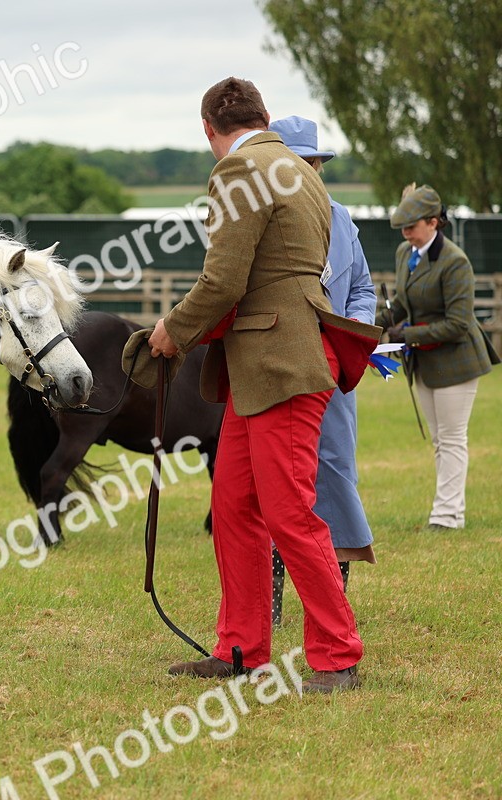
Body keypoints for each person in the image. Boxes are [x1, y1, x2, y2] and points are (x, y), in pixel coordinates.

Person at [148, 77, 380, 693]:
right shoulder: (302, 170)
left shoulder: (236, 170)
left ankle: (337, 654)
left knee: (289, 512)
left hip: (279, 367)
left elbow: (224, 281)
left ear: (207, 131)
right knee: (232, 506)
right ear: (266, 116)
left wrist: (172, 332)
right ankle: (241, 648)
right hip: (274, 365)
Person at [266, 116, 376, 626]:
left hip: (334, 368)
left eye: (314, 163)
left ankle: (334, 594)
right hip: (281, 366)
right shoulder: (262, 219)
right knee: (281, 478)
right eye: (299, 163)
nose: (310, 171)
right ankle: (270, 598)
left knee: (334, 471)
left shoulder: (342, 219)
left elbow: (363, 289)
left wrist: (353, 327)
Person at [383, 184, 499, 530]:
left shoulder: (455, 262)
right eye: (402, 228)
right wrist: (376, 325)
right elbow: (403, 301)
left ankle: (447, 516)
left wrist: (407, 334)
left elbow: (459, 324)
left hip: (458, 362)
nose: (406, 234)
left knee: (451, 439)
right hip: (426, 362)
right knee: (440, 441)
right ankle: (451, 511)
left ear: (434, 222)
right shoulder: (406, 252)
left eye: (412, 226)